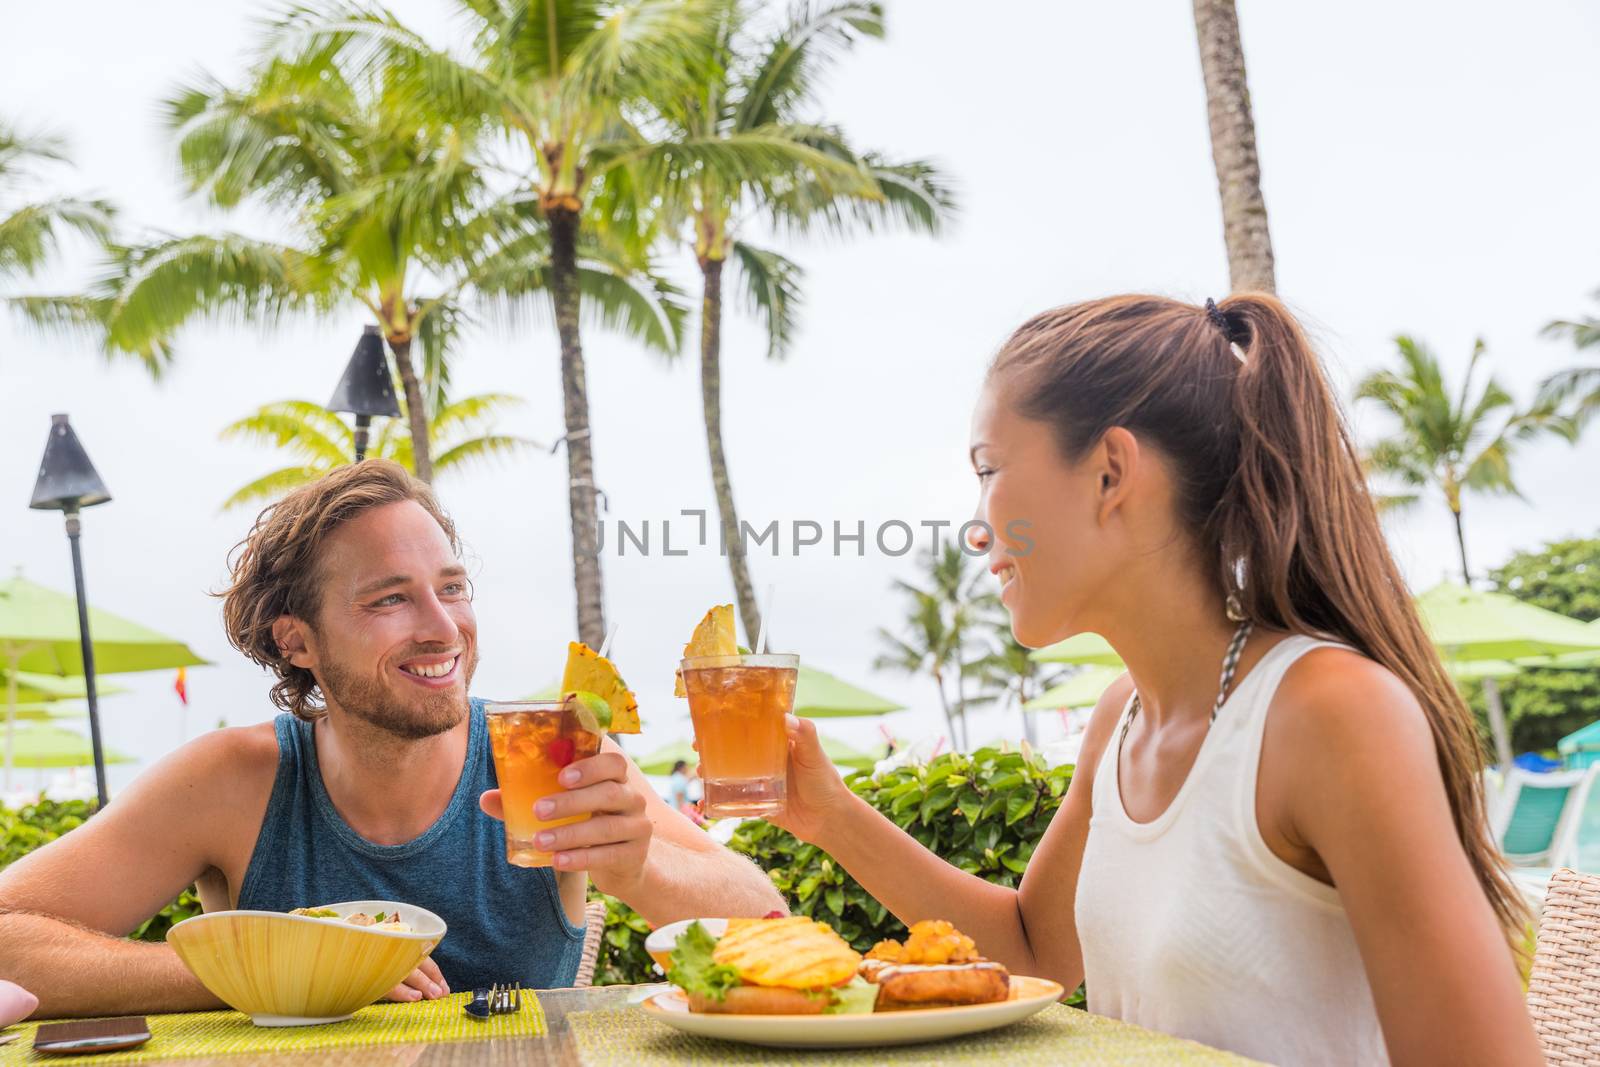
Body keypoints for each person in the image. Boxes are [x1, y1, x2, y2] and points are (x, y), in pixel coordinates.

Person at [771, 294, 1541, 1065]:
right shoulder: (1122, 720)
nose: (977, 526)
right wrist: (828, 813)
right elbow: (1034, 949)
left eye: (990, 469)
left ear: (1110, 471)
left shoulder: (1328, 713)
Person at [0, 461, 782, 1017]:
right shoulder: (233, 781)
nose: (444, 629)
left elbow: (769, 928)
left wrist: (641, 867)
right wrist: (277, 968)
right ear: (299, 641)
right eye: (389, 598)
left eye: (452, 588)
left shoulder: (545, 751)